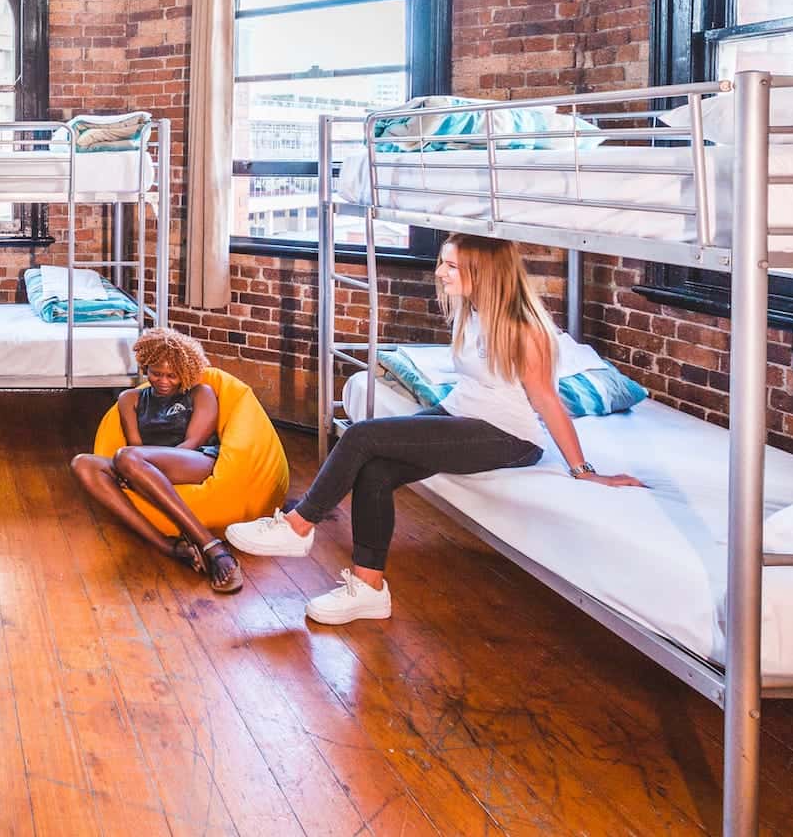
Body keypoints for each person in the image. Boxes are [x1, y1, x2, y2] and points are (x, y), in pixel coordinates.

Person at [226, 234, 642, 625]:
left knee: (361, 435)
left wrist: (583, 470)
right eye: (442, 262)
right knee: (376, 470)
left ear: (484, 273)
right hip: (459, 412)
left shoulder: (524, 328)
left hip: (509, 436)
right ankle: (369, 589)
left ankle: (298, 526)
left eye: (451, 266)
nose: (440, 272)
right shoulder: (471, 311)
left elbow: (548, 401)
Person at [70, 328, 244, 593]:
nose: (163, 381)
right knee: (82, 463)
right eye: (156, 373)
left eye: (172, 375)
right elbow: (136, 445)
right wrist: (136, 471)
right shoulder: (130, 399)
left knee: (127, 457)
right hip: (140, 465)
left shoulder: (201, 393)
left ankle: (211, 545)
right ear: (145, 367)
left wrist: (136, 469)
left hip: (195, 460)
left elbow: (191, 443)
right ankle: (169, 546)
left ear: (185, 372)